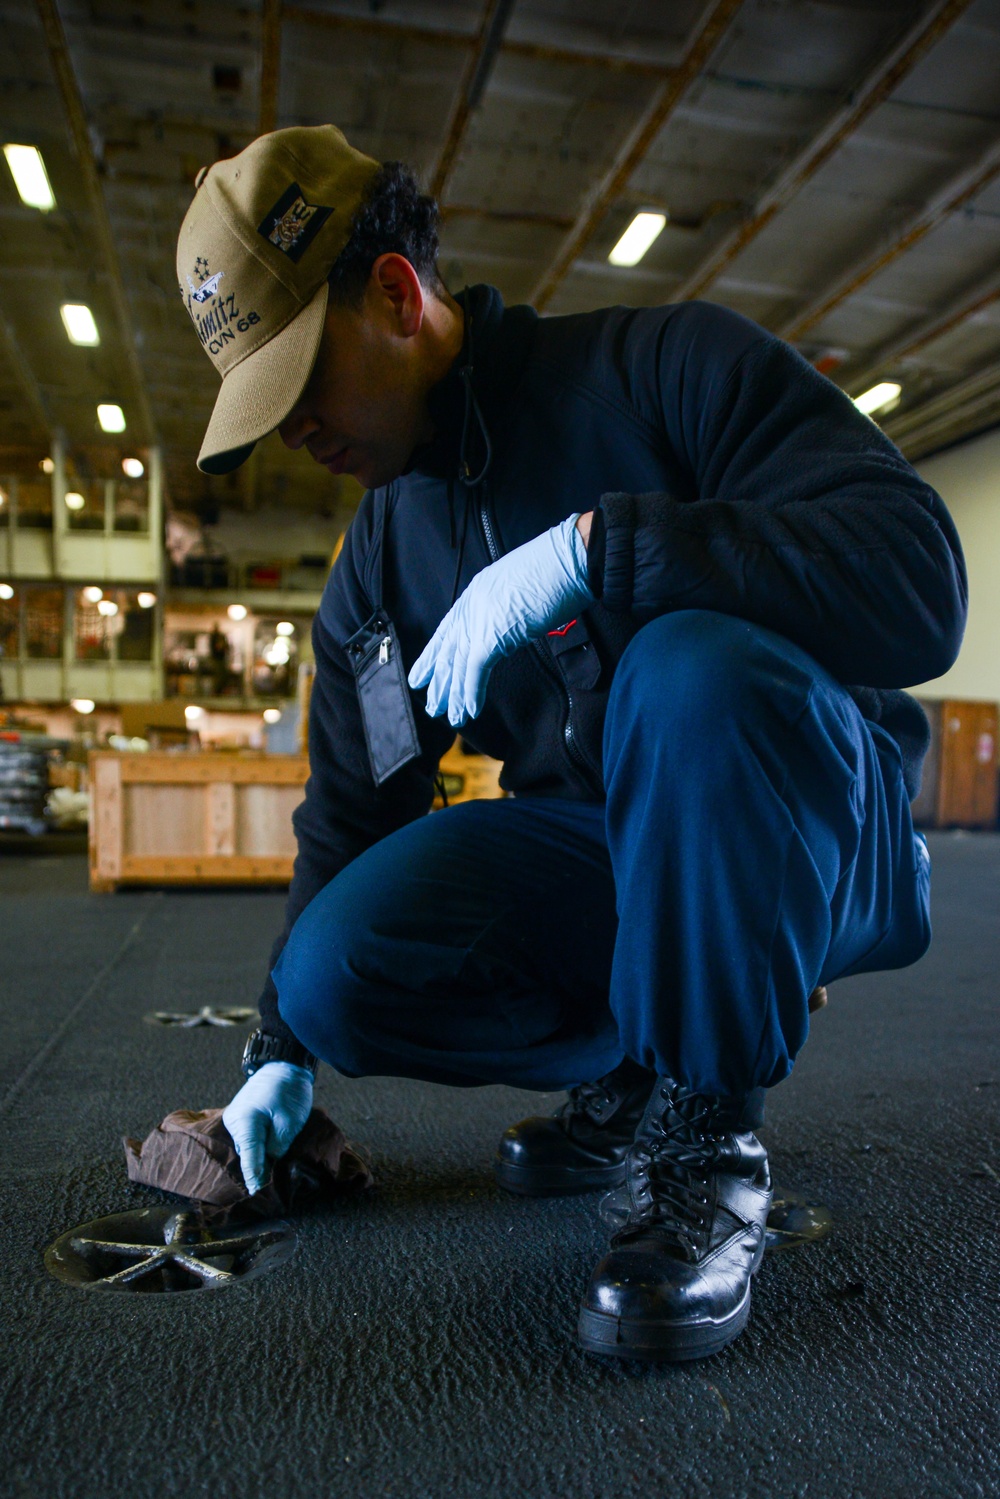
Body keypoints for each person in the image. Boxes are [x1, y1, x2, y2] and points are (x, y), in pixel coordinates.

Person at [176, 125, 966, 1362]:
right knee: (337, 970)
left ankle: (708, 1137)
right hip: (614, 849)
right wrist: (279, 1049)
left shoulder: (664, 366)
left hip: (822, 821)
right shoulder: (378, 566)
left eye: (299, 383)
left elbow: (924, 583)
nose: (294, 435)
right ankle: (648, 1059)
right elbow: (353, 810)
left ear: (394, 294)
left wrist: (599, 553)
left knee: (684, 663)